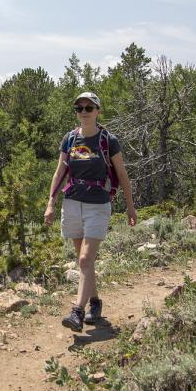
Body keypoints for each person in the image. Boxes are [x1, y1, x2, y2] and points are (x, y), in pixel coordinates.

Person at [43, 91, 137, 332]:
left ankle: (77, 311)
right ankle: (95, 303)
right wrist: (50, 203)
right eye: (79, 108)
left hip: (98, 205)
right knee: (84, 261)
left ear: (98, 111)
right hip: (72, 202)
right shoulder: (70, 139)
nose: (83, 112)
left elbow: (122, 174)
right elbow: (59, 172)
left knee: (85, 259)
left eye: (89, 107)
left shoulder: (108, 140)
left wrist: (130, 206)